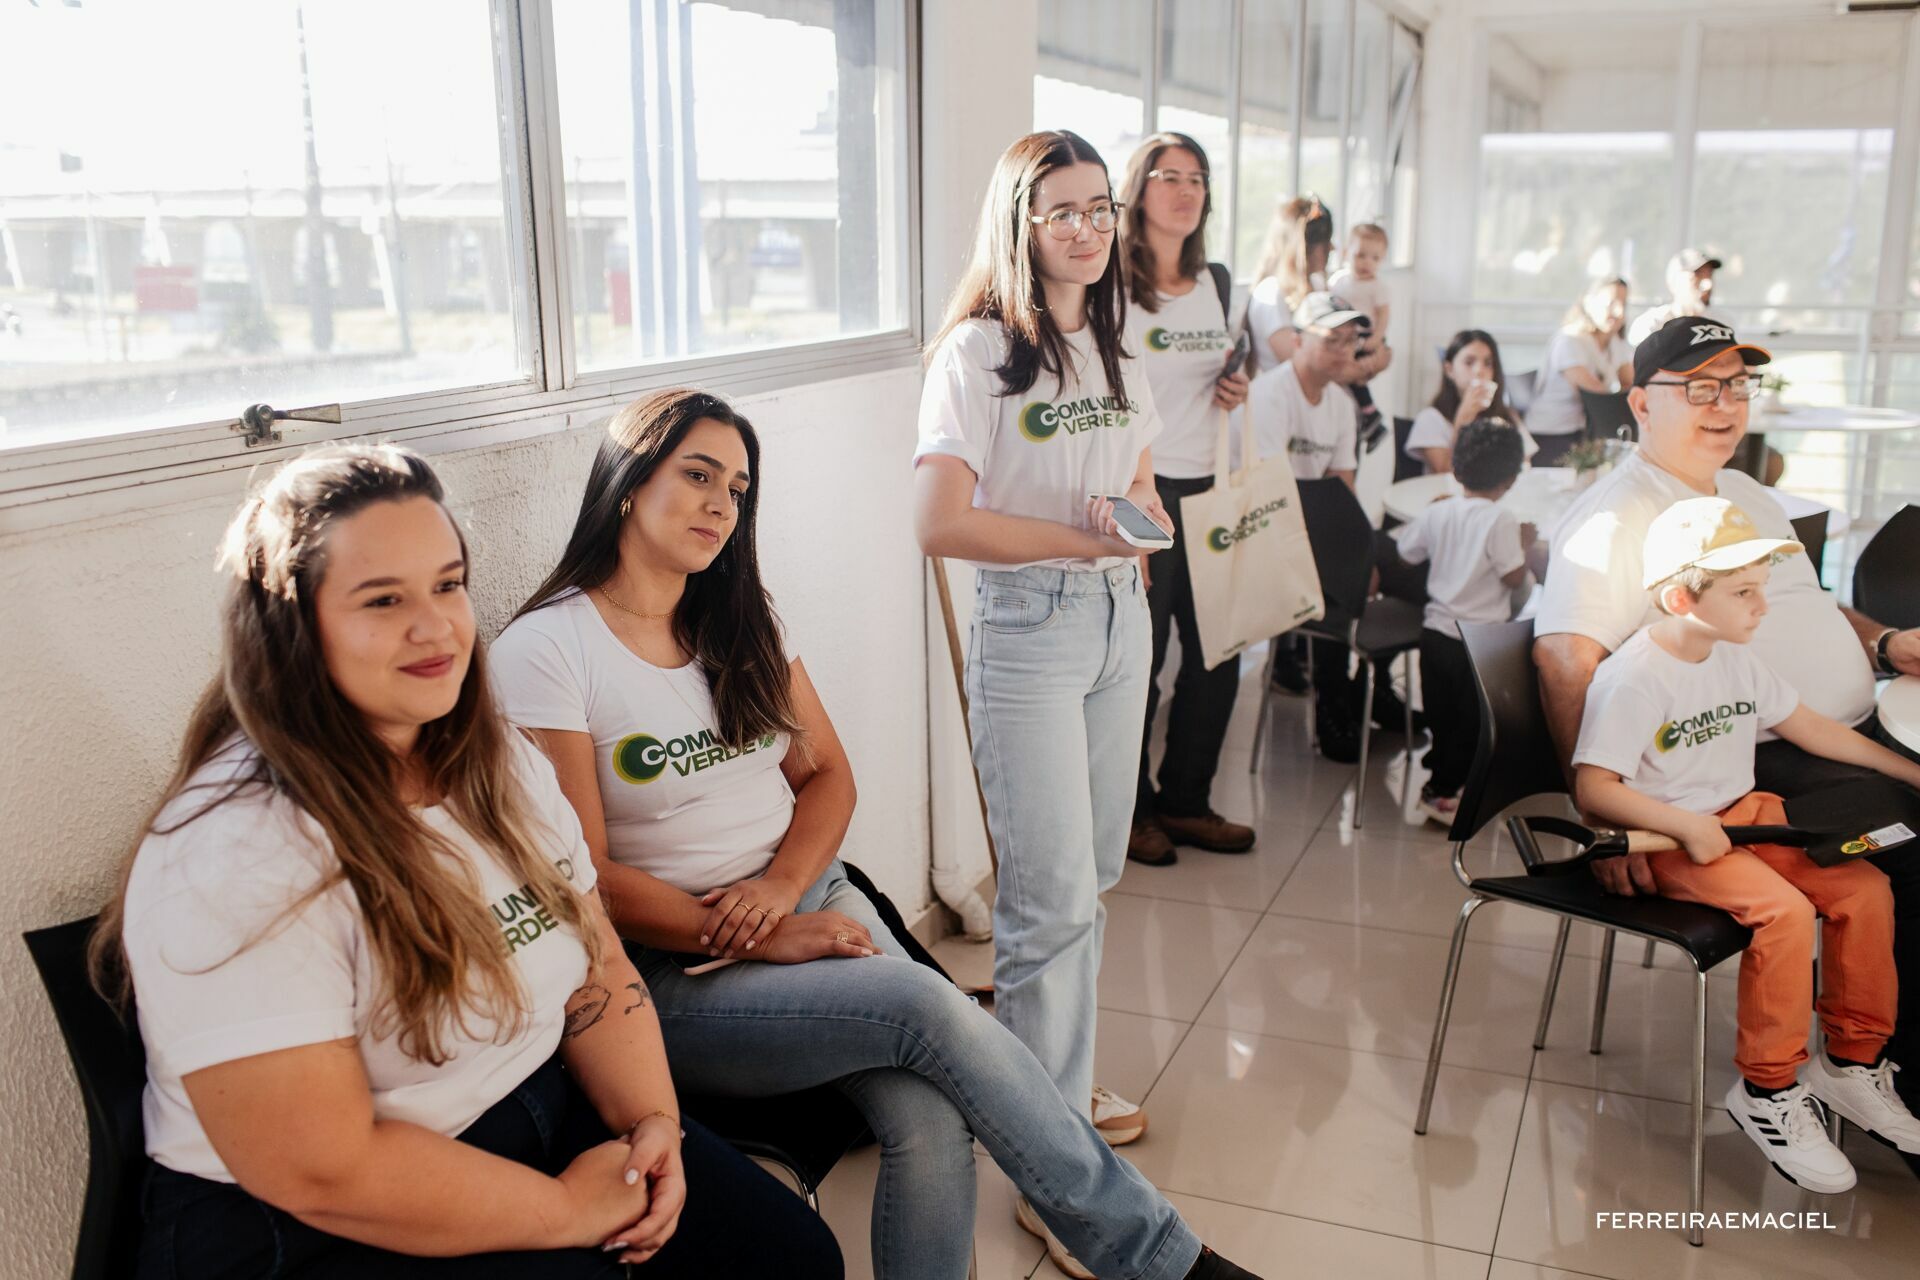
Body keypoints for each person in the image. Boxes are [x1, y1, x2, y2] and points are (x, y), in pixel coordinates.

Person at [494, 385, 1266, 1280]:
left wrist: (783, 892)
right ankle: (1162, 1259)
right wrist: (759, 934)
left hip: (808, 899)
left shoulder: (738, 617)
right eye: (697, 476)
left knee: (929, 1113)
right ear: (629, 482)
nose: (721, 506)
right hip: (666, 967)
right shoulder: (549, 650)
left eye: (737, 490)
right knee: (926, 1006)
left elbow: (828, 776)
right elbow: (580, 879)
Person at [94, 444, 842, 1279]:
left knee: (791, 1258)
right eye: (384, 599)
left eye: (447, 585)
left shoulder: (500, 760)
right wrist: (566, 1211)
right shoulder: (235, 851)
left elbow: (597, 964)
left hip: (532, 1110)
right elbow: (321, 1170)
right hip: (315, 1222)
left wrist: (653, 1127)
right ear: (290, 628)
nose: (435, 627)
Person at [1533, 314, 1920, 1105]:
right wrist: (1605, 821)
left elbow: (1806, 601)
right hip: (1757, 759)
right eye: (1701, 387)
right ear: (1642, 403)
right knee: (1910, 847)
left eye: (1738, 386)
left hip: (1849, 724)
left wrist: (1883, 645)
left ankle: (1868, 1056)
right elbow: (1564, 661)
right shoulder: (1618, 518)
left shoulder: (1743, 492)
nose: (1727, 405)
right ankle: (1882, 1069)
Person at [1572, 495, 1920, 1192]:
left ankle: (1851, 1063)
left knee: (1865, 888)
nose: (1763, 606)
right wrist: (1683, 825)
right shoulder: (1635, 677)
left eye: (1762, 587)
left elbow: (1809, 728)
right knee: (1784, 915)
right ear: (1681, 598)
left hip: (1744, 815)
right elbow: (1593, 788)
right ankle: (1767, 1090)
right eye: (1744, 592)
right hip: (1676, 839)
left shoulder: (1734, 654)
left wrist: (1911, 772)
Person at [1116, 130, 1256, 868]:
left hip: (1210, 486)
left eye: (1197, 179)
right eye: (1169, 176)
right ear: (1138, 190)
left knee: (1217, 653)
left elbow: (1221, 371)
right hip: (1143, 490)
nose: (1186, 191)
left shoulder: (1215, 282)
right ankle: (1132, 813)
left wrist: (1235, 383)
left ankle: (1186, 800)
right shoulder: (1110, 283)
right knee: (1142, 659)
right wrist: (1122, 510)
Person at [1392, 420, 1535, 825]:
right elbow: (1513, 578)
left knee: (1442, 715)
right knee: (1470, 721)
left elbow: (1406, 554)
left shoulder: (1440, 511)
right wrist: (1524, 545)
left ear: (1456, 470)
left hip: (1436, 633)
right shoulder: (1501, 520)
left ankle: (1440, 777)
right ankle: (1443, 792)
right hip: (1479, 641)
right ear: (1511, 479)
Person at [1526, 276, 1635, 462]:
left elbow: (1632, 384)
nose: (1619, 312)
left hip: (1584, 432)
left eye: (1623, 304)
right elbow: (1596, 396)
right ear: (1588, 302)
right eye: (1611, 303)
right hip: (1551, 434)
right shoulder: (1569, 340)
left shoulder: (1615, 343)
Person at [1403, 329, 1529, 475]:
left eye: (1488, 363)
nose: (1479, 371)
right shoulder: (1431, 419)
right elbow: (1444, 472)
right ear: (1449, 370)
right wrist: (1464, 418)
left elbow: (1525, 465)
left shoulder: (1506, 416)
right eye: (1469, 362)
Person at [1244, 194, 1333, 375]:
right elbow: (1299, 364)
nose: (1332, 248)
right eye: (1325, 242)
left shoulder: (1317, 284)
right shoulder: (1271, 294)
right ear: (1303, 248)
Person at [1326, 222, 1395, 445]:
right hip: (1344, 337)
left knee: (1356, 374)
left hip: (1366, 337)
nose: (1367, 263)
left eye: (1375, 258)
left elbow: (1383, 315)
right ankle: (1371, 417)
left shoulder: (1377, 286)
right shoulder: (1338, 280)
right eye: (1360, 255)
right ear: (1346, 252)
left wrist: (1376, 338)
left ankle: (1369, 414)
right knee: (1352, 376)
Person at [1627, 247, 1725, 347]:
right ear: (1675, 280)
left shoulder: (1722, 326)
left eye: (1709, 275)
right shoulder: (1652, 325)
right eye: (1697, 274)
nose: (1708, 285)